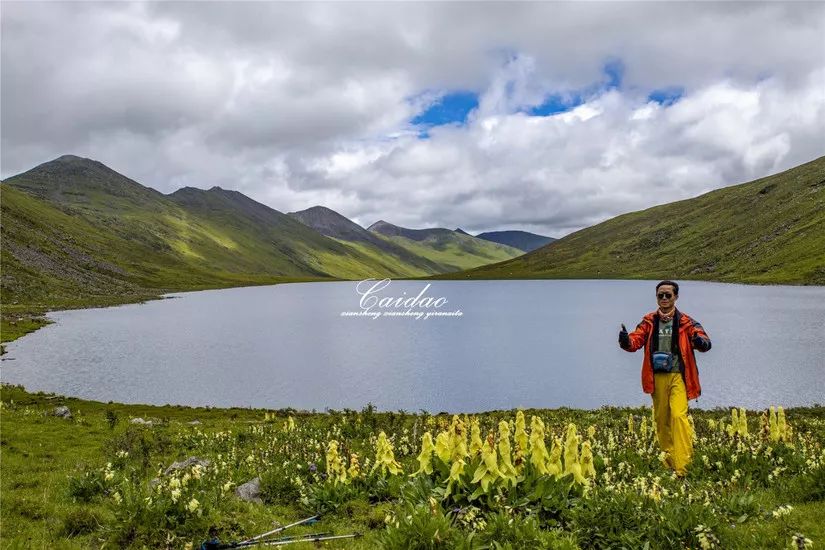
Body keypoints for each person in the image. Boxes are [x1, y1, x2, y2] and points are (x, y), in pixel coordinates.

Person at [619, 280, 712, 477]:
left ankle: (684, 466)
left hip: (679, 376)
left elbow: (705, 342)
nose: (663, 299)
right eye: (660, 295)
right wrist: (626, 341)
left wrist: (699, 341)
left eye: (668, 295)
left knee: (679, 416)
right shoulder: (649, 321)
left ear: (676, 297)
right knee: (662, 421)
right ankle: (669, 463)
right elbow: (636, 341)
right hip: (657, 377)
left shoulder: (687, 322)